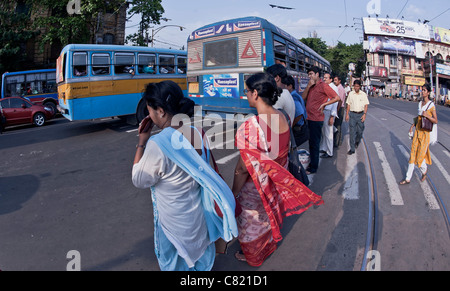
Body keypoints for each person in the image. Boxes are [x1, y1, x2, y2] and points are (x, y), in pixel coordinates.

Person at [132, 80, 238, 271]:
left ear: (161, 111)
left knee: (176, 261)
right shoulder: (198, 132)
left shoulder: (158, 143)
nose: (149, 115)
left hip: (174, 222)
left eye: (150, 110)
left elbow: (139, 179)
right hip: (197, 216)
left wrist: (141, 142)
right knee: (199, 258)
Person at [232, 72, 323, 266]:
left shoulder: (251, 126)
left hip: (256, 187)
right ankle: (268, 246)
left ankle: (254, 255)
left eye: (246, 91)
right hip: (275, 181)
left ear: (255, 93)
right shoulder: (282, 116)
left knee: (251, 222)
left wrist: (234, 192)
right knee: (266, 215)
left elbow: (242, 169)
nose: (246, 94)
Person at [302, 66, 340, 174]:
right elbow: (303, 98)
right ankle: (311, 163)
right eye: (308, 74)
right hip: (308, 117)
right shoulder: (311, 86)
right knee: (311, 143)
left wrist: (325, 104)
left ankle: (313, 167)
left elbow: (337, 98)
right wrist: (309, 86)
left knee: (314, 143)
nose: (310, 76)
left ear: (317, 74)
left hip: (316, 118)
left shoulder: (323, 86)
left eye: (311, 74)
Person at [400, 84, 438, 185]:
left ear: (428, 93)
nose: (423, 92)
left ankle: (424, 171)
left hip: (425, 134)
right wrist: (412, 126)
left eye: (425, 90)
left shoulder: (431, 105)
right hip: (417, 131)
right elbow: (418, 117)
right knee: (412, 154)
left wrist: (427, 116)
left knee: (420, 158)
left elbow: (436, 120)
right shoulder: (420, 103)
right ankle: (408, 178)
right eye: (422, 90)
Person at [345, 80, 370, 155]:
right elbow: (348, 104)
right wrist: (347, 114)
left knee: (360, 131)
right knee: (352, 132)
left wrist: (364, 114)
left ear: (360, 87)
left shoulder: (363, 94)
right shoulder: (351, 94)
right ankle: (352, 149)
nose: (356, 88)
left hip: (360, 114)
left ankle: (357, 140)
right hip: (352, 114)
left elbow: (366, 105)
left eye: (357, 86)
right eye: (355, 86)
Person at [320, 73, 339, 158]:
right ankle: (324, 148)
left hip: (329, 112)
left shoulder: (334, 88)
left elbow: (335, 104)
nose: (324, 79)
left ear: (331, 79)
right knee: (324, 132)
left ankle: (329, 152)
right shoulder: (326, 87)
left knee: (328, 133)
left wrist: (332, 116)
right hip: (325, 111)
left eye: (326, 78)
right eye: (324, 78)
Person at [286, 75, 308, 147]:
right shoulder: (296, 95)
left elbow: (299, 113)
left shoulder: (293, 97)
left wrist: (291, 125)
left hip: (298, 130)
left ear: (290, 86)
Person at [333, 75, 346, 148]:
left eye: (335, 80)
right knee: (337, 125)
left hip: (339, 108)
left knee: (337, 125)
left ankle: (337, 142)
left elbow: (340, 101)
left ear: (339, 81)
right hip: (338, 107)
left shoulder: (340, 89)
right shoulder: (337, 88)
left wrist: (336, 111)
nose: (334, 81)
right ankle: (337, 141)